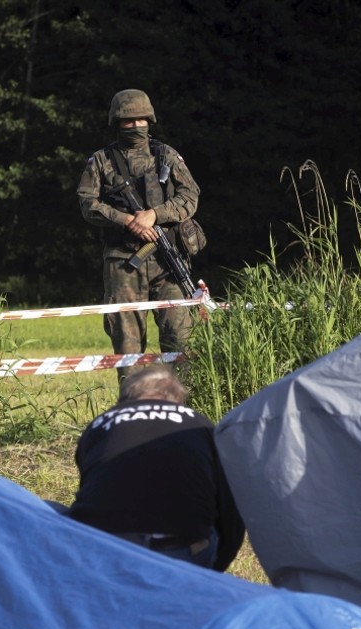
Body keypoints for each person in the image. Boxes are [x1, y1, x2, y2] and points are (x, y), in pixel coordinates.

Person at [77, 89, 201, 382]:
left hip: (168, 262)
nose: (135, 127)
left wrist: (155, 215)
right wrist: (126, 220)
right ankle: (132, 412)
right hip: (124, 264)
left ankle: (182, 411)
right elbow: (87, 203)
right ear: (116, 122)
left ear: (150, 120)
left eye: (141, 120)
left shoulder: (166, 155)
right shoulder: (101, 161)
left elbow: (190, 195)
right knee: (128, 349)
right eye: (127, 122)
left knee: (179, 342)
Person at [68, 365, 245, 571]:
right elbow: (229, 511)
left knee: (54, 509)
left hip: (99, 547)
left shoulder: (99, 424)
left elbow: (90, 484)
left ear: (127, 398)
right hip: (176, 549)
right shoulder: (200, 424)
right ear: (176, 399)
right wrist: (211, 572)